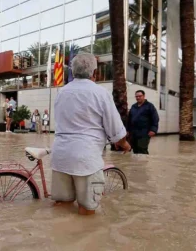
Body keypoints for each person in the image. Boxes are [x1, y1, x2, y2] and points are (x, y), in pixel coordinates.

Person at [51, 53, 131, 216]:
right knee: (87, 210)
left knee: (62, 207)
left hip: (60, 156)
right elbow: (115, 127)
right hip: (86, 160)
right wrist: (124, 143)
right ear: (94, 72)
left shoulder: (62, 92)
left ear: (73, 72)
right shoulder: (100, 93)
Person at [128, 90, 159, 155]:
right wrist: (127, 130)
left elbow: (155, 118)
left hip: (144, 133)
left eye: (140, 96)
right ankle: (136, 165)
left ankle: (143, 164)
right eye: (136, 96)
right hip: (134, 133)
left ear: (144, 96)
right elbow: (129, 119)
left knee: (142, 149)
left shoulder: (149, 106)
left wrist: (153, 130)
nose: (138, 98)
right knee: (135, 150)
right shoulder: (133, 106)